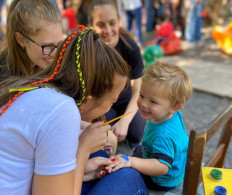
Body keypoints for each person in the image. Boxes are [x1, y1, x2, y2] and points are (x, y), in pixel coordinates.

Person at [0, 25, 145, 194]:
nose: (109, 109)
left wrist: (84, 168)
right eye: (111, 103)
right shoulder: (62, 111)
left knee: (101, 157)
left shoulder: (38, 89)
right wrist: (83, 150)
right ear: (88, 100)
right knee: (129, 177)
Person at [106, 61, 193, 191]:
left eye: (153, 101)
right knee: (137, 151)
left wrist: (131, 162)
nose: (143, 104)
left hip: (161, 179)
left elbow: (162, 167)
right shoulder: (170, 112)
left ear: (174, 106)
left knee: (124, 175)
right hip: (174, 163)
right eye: (141, 95)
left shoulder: (163, 135)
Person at [88, 0, 145, 149]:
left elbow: (138, 90)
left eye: (112, 23)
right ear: (92, 26)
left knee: (136, 134)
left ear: (119, 21)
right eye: (101, 25)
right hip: (103, 105)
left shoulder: (130, 48)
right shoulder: (88, 51)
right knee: (105, 134)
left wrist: (125, 122)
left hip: (126, 101)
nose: (107, 30)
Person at [0, 0, 63, 81]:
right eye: (47, 46)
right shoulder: (3, 77)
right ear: (21, 39)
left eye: (59, 44)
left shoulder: (60, 68)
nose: (55, 54)